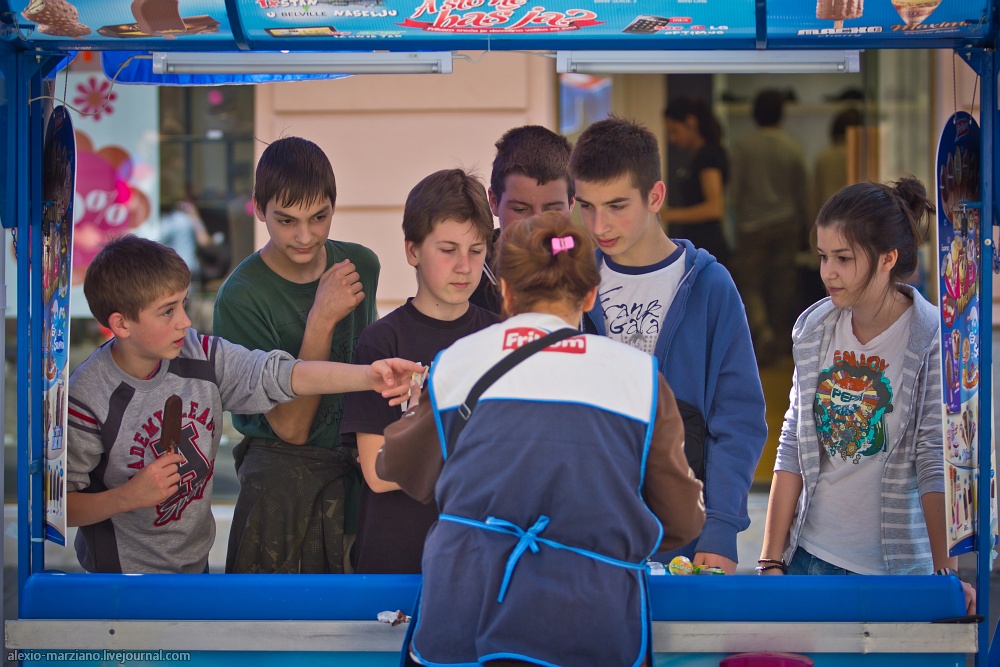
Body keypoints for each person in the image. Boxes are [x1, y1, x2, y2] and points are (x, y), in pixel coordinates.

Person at [378, 211, 704, 666]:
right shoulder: (641, 379)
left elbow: (398, 466)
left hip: (463, 617)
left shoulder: (457, 362)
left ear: (505, 291)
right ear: (591, 294)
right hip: (592, 623)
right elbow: (682, 521)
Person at [66, 235, 421, 574]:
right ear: (121, 324)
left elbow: (284, 375)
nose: (185, 322)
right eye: (167, 311)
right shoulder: (88, 396)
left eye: (183, 304)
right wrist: (128, 497)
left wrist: (369, 376)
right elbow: (57, 507)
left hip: (195, 568)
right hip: (118, 581)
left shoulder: (200, 354)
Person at [757, 177, 975, 614]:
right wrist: (770, 561)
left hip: (896, 574)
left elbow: (935, 458)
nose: (827, 272)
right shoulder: (814, 328)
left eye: (843, 258)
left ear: (887, 259)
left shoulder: (932, 337)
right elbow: (793, 444)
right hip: (808, 559)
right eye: (823, 256)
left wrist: (945, 577)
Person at [570, 116, 766, 574]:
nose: (599, 224)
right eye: (587, 206)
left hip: (688, 540)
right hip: (590, 540)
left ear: (655, 196)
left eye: (617, 205)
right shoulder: (571, 288)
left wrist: (721, 527)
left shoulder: (711, 285)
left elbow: (738, 419)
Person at [213, 136, 380, 574]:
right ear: (258, 208)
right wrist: (321, 319)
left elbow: (368, 381)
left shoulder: (361, 266)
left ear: (333, 206)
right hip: (280, 502)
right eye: (286, 221)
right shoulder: (241, 297)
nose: (305, 236)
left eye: (319, 217)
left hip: (361, 488)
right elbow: (291, 429)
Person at [340, 168, 502, 573]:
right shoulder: (381, 343)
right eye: (448, 249)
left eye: (477, 250)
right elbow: (378, 472)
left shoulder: (501, 338)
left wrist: (421, 437)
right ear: (412, 251)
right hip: (394, 562)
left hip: (477, 561)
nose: (465, 266)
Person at [730, 89, 809, 364]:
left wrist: (731, 226)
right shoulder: (794, 147)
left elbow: (734, 192)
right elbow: (802, 194)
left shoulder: (742, 147)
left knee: (751, 285)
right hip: (786, 225)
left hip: (751, 227)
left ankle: (761, 331)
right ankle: (778, 339)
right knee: (782, 285)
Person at [469, 125, 574, 314]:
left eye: (552, 210)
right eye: (521, 209)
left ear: (571, 204)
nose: (537, 225)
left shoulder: (587, 271)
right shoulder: (464, 274)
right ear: (493, 201)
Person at [661, 97, 730, 266]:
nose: (672, 139)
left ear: (691, 122)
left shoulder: (708, 155)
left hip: (707, 245)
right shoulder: (697, 155)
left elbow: (714, 208)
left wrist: (668, 214)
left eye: (674, 131)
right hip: (698, 243)